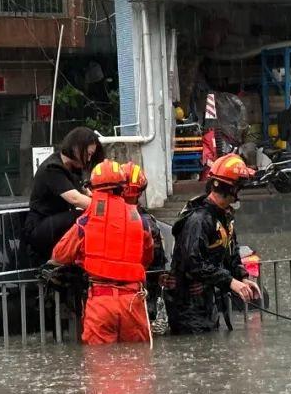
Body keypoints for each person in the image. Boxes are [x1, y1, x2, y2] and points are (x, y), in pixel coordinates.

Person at [51, 160, 154, 345]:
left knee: (101, 367)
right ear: (123, 188)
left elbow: (60, 254)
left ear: (94, 188)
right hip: (133, 302)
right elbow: (146, 258)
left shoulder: (86, 221)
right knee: (137, 365)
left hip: (101, 301)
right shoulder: (140, 221)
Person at [165, 153, 261, 335]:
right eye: (239, 187)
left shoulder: (224, 216)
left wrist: (242, 277)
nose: (240, 193)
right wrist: (229, 281)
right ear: (232, 189)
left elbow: (231, 253)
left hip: (208, 302)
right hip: (188, 307)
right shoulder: (198, 220)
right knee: (197, 355)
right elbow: (193, 263)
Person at [24, 127, 103, 262]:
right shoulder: (53, 168)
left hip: (53, 224)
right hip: (39, 227)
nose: (89, 159)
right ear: (77, 148)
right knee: (84, 217)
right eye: (88, 154)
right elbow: (75, 199)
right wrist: (107, 209)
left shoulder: (72, 168)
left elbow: (87, 194)